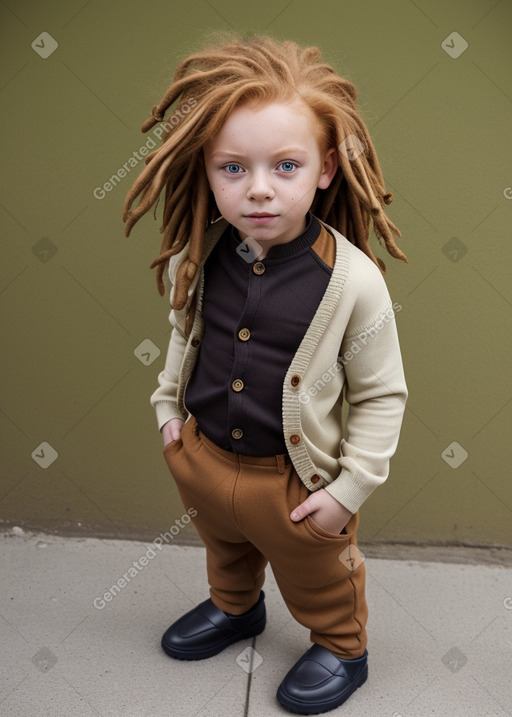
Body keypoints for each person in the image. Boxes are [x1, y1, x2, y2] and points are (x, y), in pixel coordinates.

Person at [123, 32, 408, 715]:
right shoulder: (203, 254)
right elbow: (183, 337)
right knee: (225, 546)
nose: (258, 189)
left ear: (327, 169)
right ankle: (235, 607)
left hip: (298, 482)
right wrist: (169, 415)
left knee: (320, 576)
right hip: (204, 456)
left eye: (285, 165)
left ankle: (342, 646)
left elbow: (381, 394)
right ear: (207, 170)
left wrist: (349, 488)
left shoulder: (354, 283)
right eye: (233, 168)